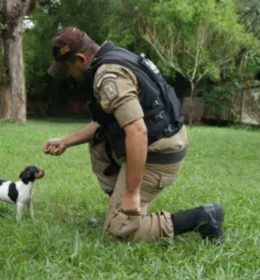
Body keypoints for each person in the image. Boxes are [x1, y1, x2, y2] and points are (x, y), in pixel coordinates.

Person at [43, 26, 224, 243]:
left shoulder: (109, 75)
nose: (69, 74)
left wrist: (131, 194)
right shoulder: (117, 56)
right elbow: (105, 123)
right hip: (163, 142)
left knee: (117, 235)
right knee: (99, 139)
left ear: (81, 59)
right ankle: (119, 211)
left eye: (67, 68)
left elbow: (137, 131)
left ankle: (202, 218)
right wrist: (65, 141)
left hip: (158, 153)